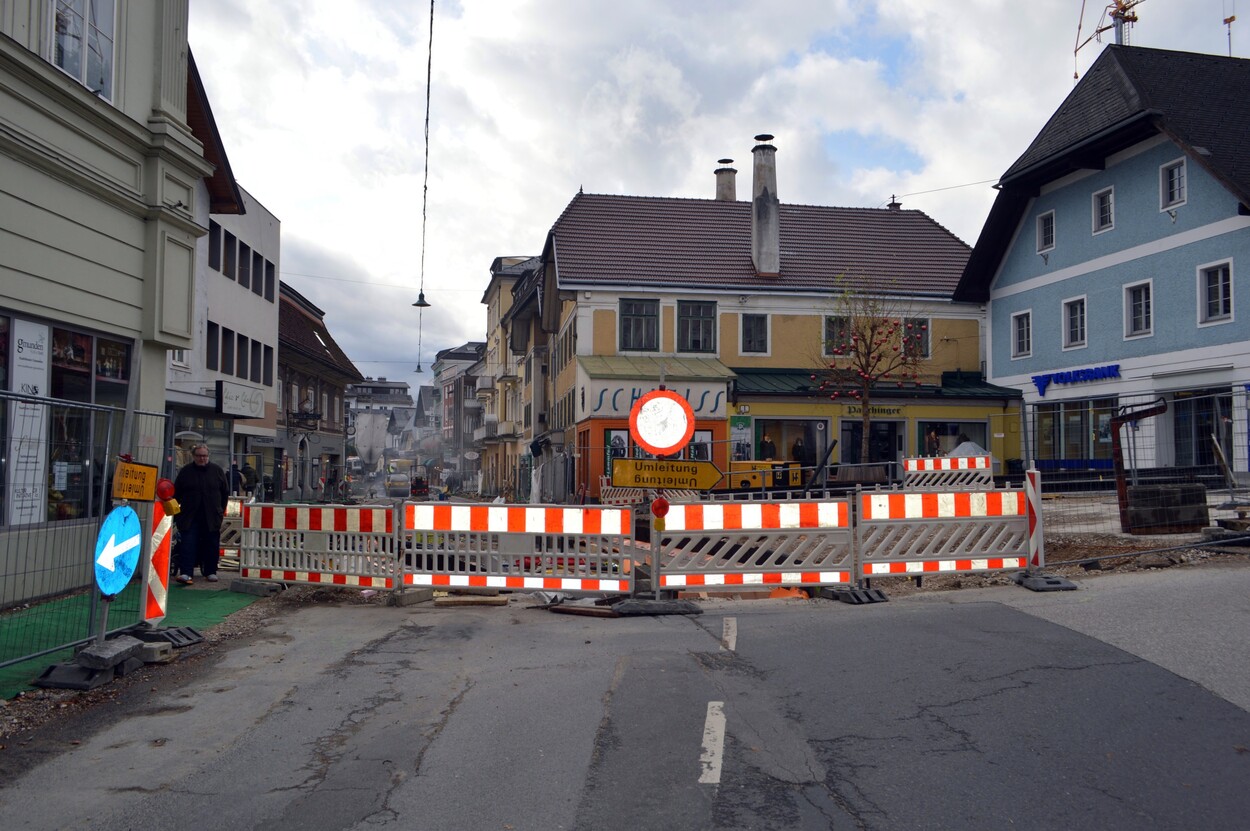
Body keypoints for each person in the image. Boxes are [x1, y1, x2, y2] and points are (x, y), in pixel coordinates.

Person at [173, 444, 229, 585]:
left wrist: (219, 511)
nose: (202, 458)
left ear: (208, 456)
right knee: (188, 544)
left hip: (211, 516)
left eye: (204, 456)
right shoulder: (185, 472)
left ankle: (211, 572)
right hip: (190, 516)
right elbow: (176, 493)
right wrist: (177, 515)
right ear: (194, 456)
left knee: (212, 544)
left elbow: (224, 493)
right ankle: (186, 573)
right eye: (199, 456)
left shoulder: (217, 471)